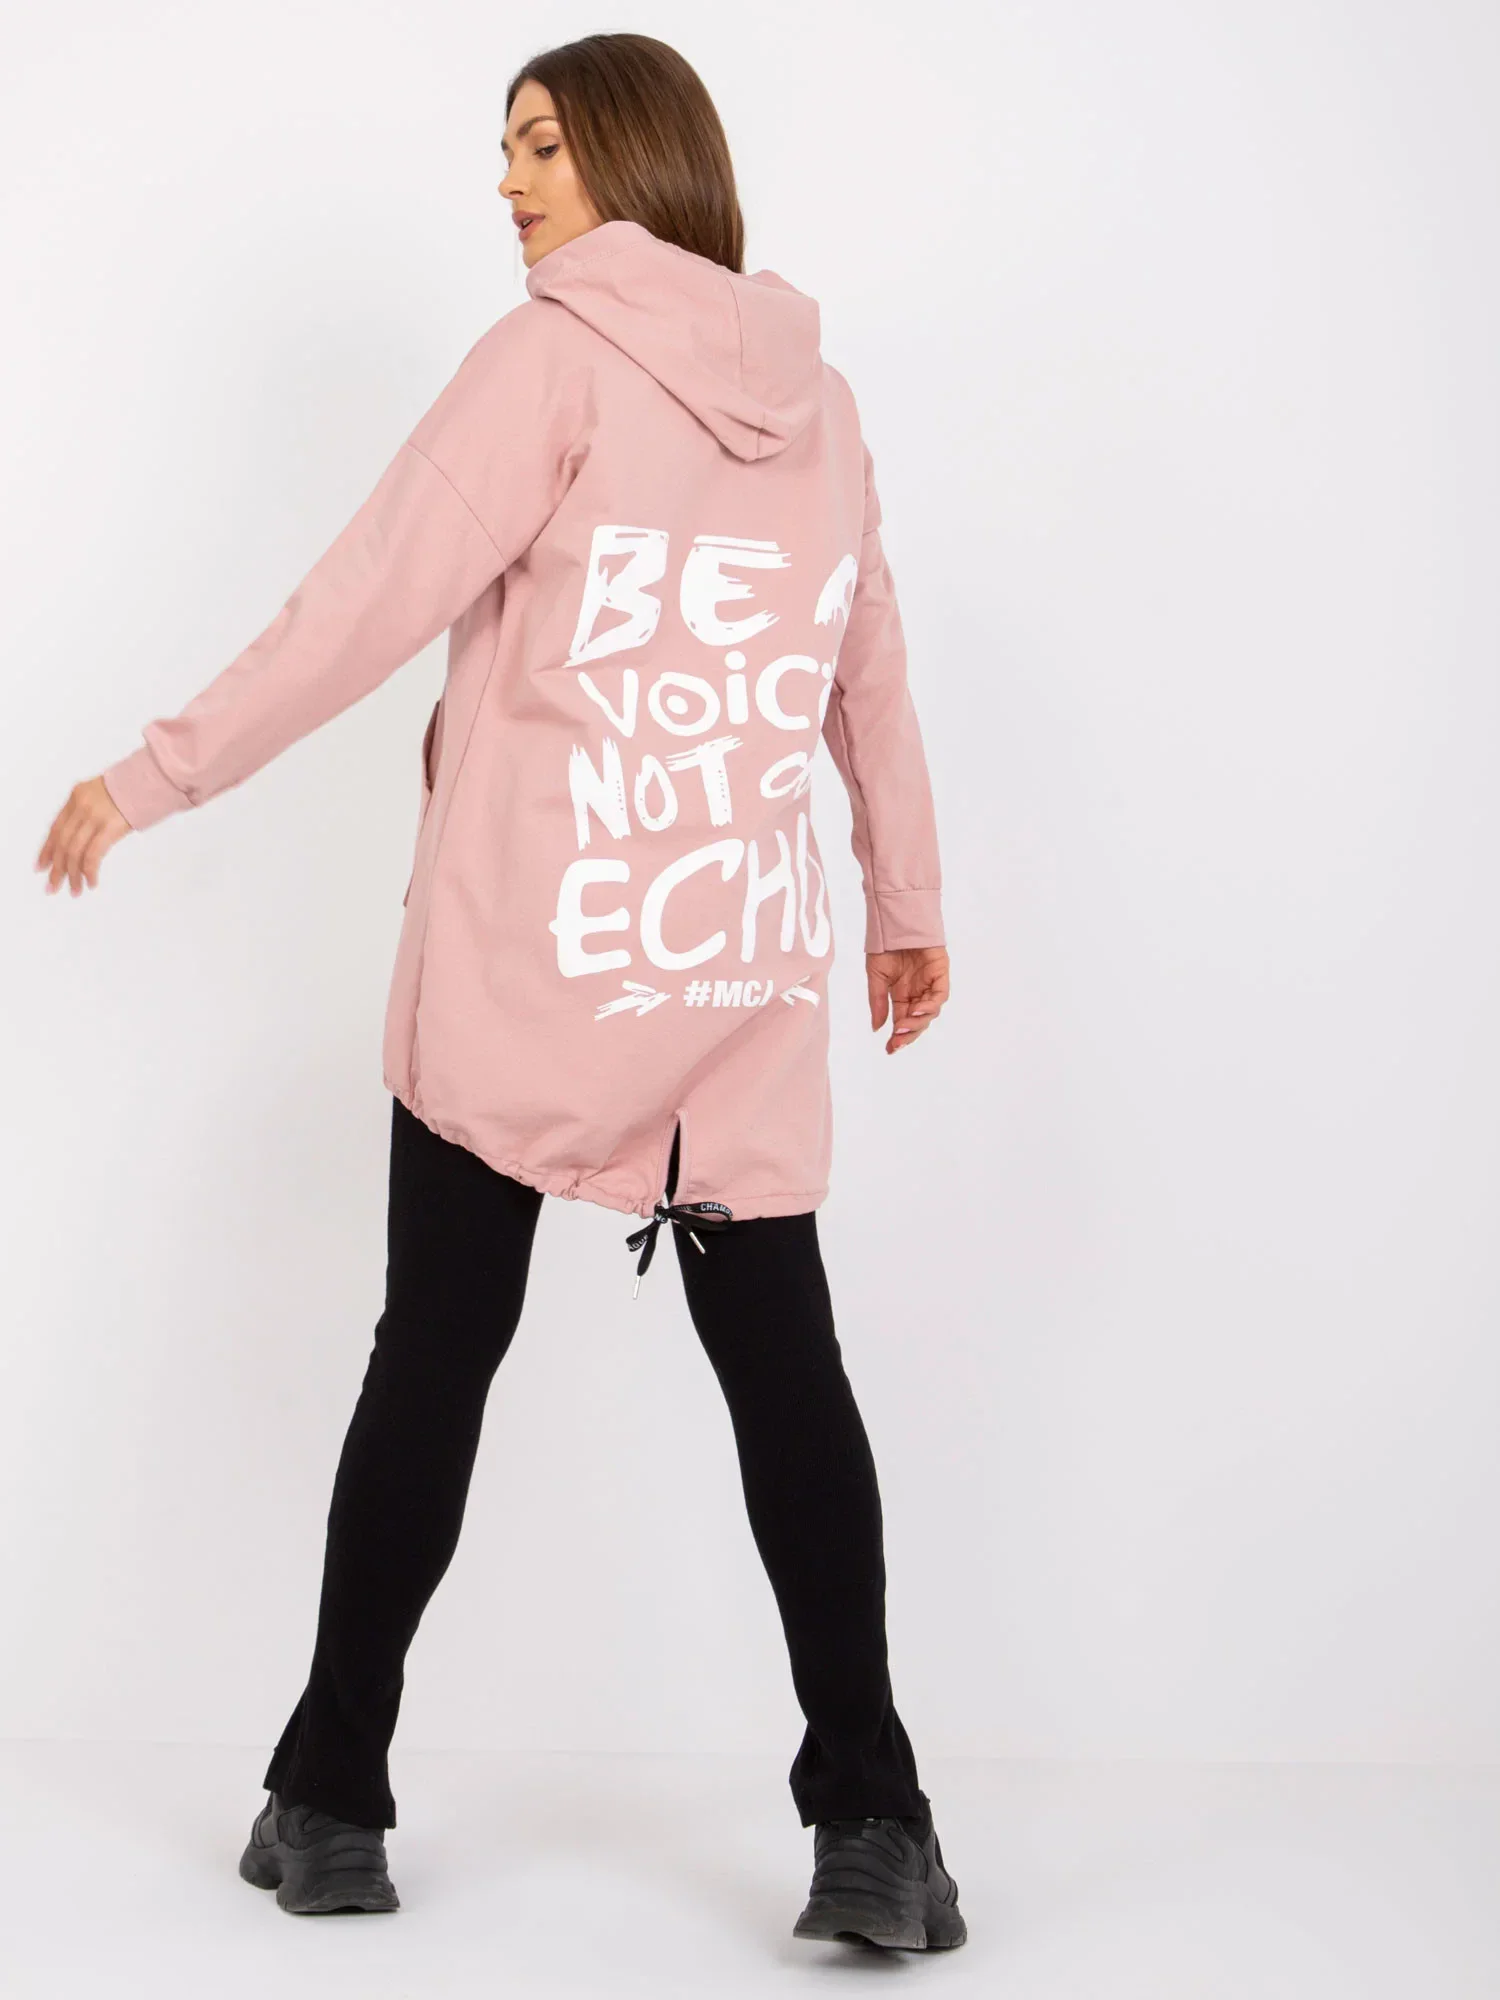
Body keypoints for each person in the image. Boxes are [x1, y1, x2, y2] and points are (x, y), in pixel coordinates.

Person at [35, 31, 964, 1954]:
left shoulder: (546, 360)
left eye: (541, 144)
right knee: (788, 1384)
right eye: (508, 147)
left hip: (529, 968)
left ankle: (331, 1797)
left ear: (630, 153)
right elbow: (862, 666)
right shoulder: (822, 401)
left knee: (436, 1361)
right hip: (725, 970)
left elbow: (363, 597)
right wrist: (903, 900)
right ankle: (876, 1823)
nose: (510, 181)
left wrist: (156, 774)